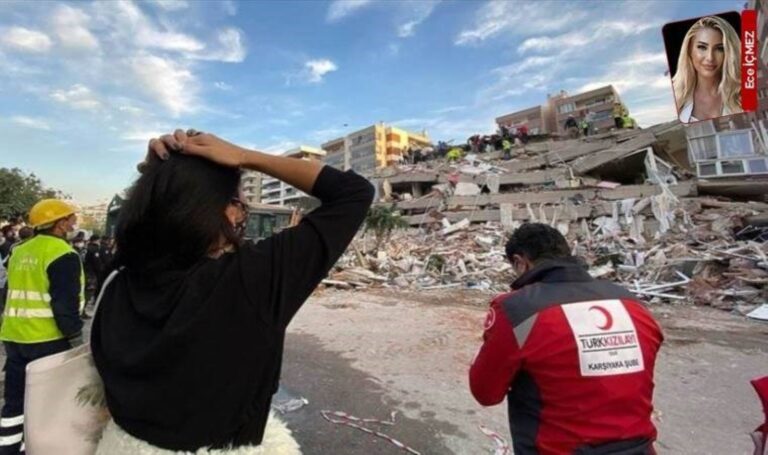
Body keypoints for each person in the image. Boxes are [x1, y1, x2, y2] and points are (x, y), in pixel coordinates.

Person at [92, 129, 374, 454]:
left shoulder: (119, 275)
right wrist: (244, 156)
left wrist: (158, 173)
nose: (242, 213)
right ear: (224, 210)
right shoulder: (251, 280)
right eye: (239, 203)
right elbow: (354, 192)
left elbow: (145, 220)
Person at [469, 223, 663, 455]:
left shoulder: (519, 309)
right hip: (639, 449)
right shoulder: (629, 302)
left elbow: (486, 392)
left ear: (521, 262)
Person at [0, 199, 85, 455]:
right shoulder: (63, 254)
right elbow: (63, 306)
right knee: (43, 404)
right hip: (48, 340)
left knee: (13, 402)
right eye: (70, 219)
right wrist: (76, 340)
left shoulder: (18, 250)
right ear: (59, 224)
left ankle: (8, 449)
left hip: (14, 337)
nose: (73, 223)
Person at [673, 16, 742, 123]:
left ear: (729, 53)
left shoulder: (744, 94)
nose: (710, 57)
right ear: (689, 50)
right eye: (702, 47)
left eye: (720, 49)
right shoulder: (675, 97)